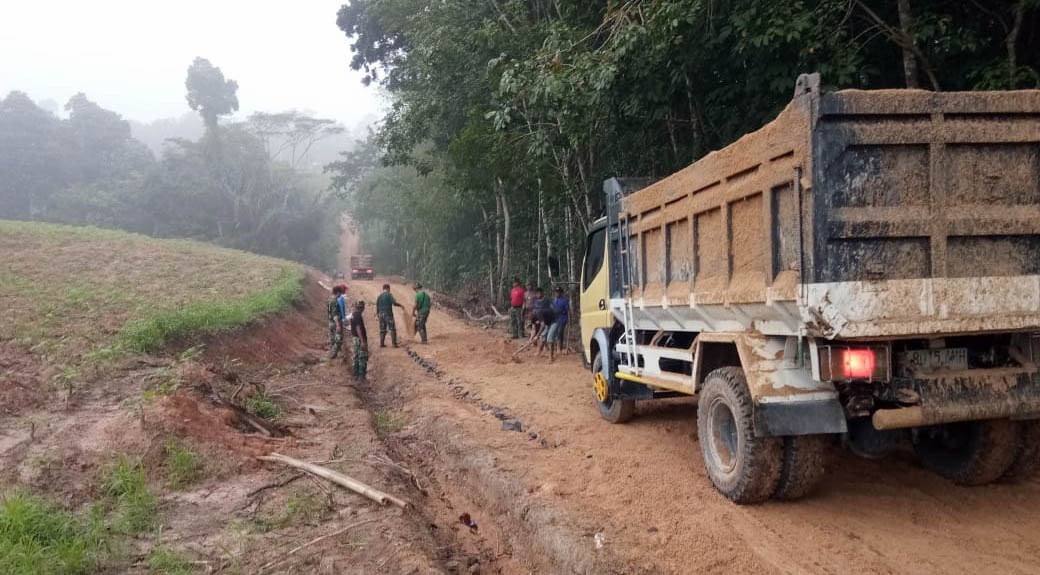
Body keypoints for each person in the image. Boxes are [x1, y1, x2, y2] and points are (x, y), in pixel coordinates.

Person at [375, 283, 404, 347]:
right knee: (392, 329)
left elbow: (377, 306)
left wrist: (378, 314)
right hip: (388, 314)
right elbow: (394, 303)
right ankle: (394, 344)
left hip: (380, 314)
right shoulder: (389, 295)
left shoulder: (379, 296)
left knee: (382, 329)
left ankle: (381, 343)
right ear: (388, 288)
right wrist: (400, 305)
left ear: (383, 288)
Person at [350, 300, 369, 381]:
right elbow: (358, 328)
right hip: (359, 339)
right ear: (362, 308)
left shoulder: (353, 314)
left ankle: (355, 375)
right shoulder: (358, 315)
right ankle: (362, 377)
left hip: (355, 338)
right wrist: (362, 341)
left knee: (356, 357)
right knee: (362, 357)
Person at [327, 284, 346, 359]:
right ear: (337, 292)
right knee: (339, 338)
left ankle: (332, 351)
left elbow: (330, 312)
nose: (341, 294)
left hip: (330, 322)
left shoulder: (329, 300)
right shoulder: (334, 302)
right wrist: (338, 325)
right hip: (335, 323)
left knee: (332, 337)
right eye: (340, 293)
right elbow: (335, 314)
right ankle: (333, 354)